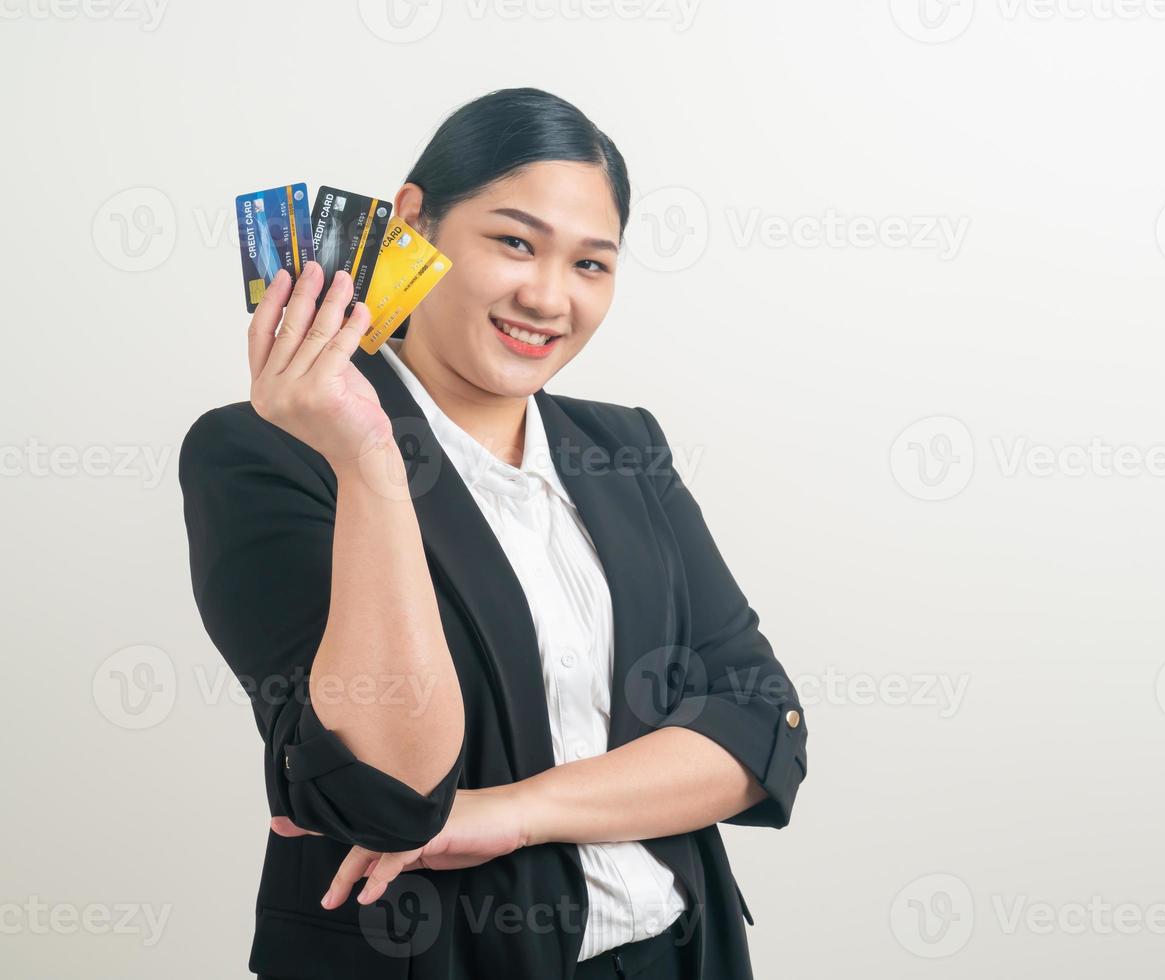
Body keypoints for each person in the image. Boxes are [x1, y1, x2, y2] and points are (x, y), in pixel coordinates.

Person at [178, 87, 808, 980]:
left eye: (592, 264)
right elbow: (390, 793)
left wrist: (514, 810)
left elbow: (758, 728)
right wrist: (368, 462)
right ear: (412, 224)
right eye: (514, 241)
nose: (549, 297)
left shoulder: (623, 446)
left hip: (681, 956)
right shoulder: (261, 455)